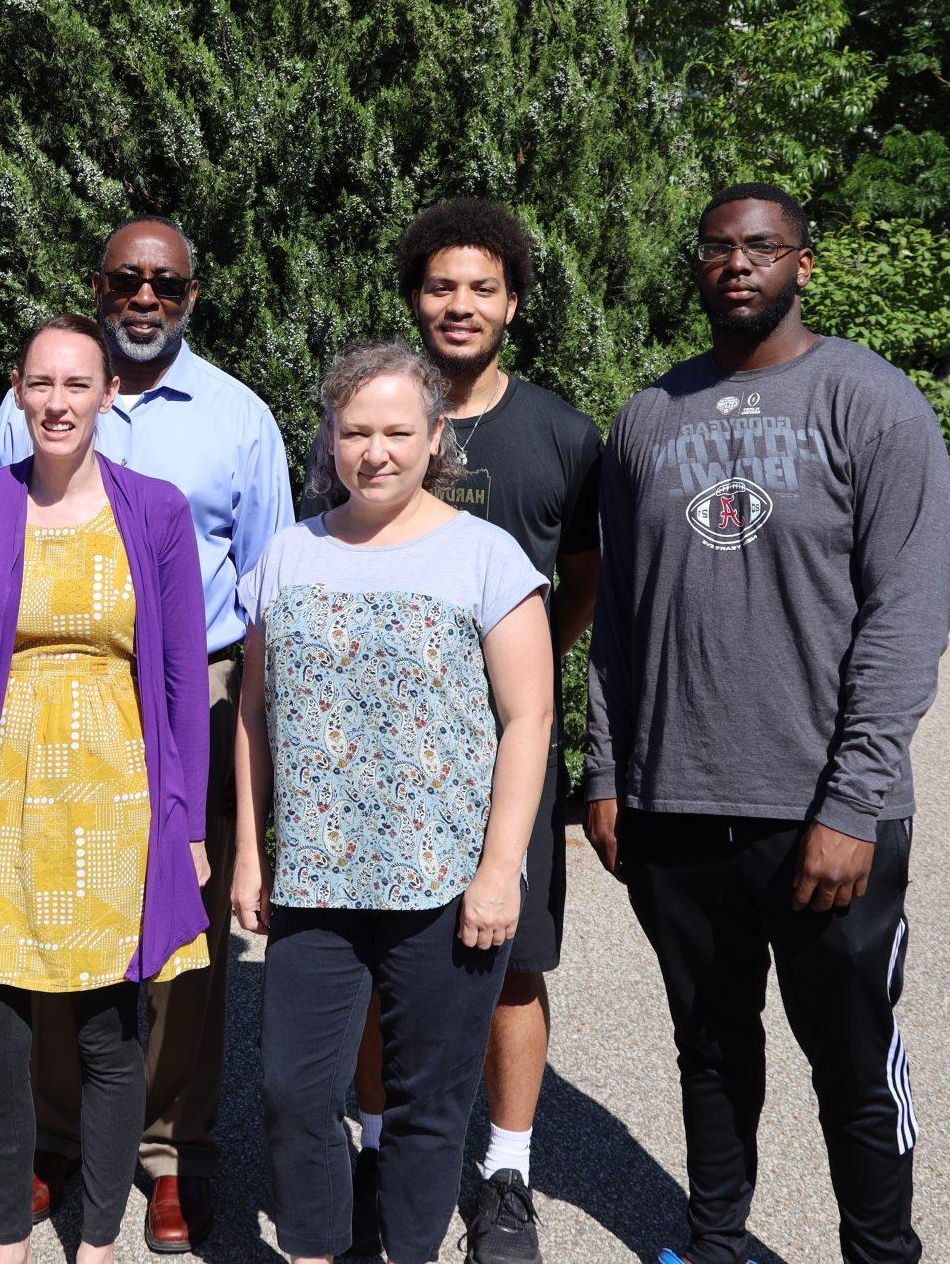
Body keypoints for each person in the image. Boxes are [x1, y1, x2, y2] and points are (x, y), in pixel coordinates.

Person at [582, 183, 950, 1264]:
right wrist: (607, 772)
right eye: (717, 248)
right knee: (708, 1049)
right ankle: (715, 1241)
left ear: (802, 264)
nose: (738, 264)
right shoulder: (648, 416)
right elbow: (621, 620)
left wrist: (852, 800)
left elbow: (906, 618)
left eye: (762, 247)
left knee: (850, 1060)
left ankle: (880, 1253)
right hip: (674, 809)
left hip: (823, 818)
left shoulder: (870, 403)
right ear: (696, 266)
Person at [0, 215, 293, 1251]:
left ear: (191, 295)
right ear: (102, 288)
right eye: (125, 279)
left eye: (163, 281)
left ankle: (171, 1149)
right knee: (45, 912)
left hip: (184, 691)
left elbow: (265, 585)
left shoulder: (238, 419)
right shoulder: (29, 405)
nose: (144, 296)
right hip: (39, 696)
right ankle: (61, 1136)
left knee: (174, 933)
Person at [233, 342, 557, 1264]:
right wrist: (254, 856)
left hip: (444, 884)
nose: (375, 451)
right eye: (356, 431)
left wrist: (499, 873)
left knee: (428, 1101)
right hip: (317, 882)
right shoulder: (288, 554)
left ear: (435, 436)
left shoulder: (484, 557)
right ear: (330, 437)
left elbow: (527, 717)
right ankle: (318, 1250)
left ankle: (408, 1249)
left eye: (397, 431)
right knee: (296, 1093)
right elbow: (253, 712)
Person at [322, 200, 602, 1263]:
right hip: (372, 759)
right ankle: (382, 1147)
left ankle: (505, 1177)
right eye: (441, 286)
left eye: (482, 287)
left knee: (512, 966)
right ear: (413, 298)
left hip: (502, 756)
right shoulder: (366, 418)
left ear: (514, 304)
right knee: (363, 959)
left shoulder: (563, 437)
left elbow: (579, 586)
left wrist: (510, 680)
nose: (459, 304)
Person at [0, 314, 215, 1264]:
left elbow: (180, 684)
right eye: (40, 384)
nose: (57, 402)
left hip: (115, 799)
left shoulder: (157, 510)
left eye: (77, 385)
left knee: (109, 1034)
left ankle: (97, 1239)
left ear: (107, 395)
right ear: (16, 390)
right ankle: (6, 1237)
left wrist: (186, 821)